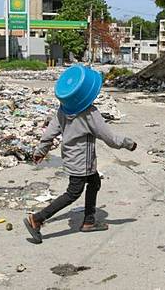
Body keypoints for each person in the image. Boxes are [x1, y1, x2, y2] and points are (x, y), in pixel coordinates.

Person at [23, 66, 137, 244]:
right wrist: (128, 144)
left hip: (70, 158)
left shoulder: (64, 109)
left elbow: (50, 132)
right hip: (82, 162)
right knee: (73, 193)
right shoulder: (90, 113)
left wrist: (41, 151)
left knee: (94, 182)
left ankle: (89, 221)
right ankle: (37, 219)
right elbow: (109, 138)